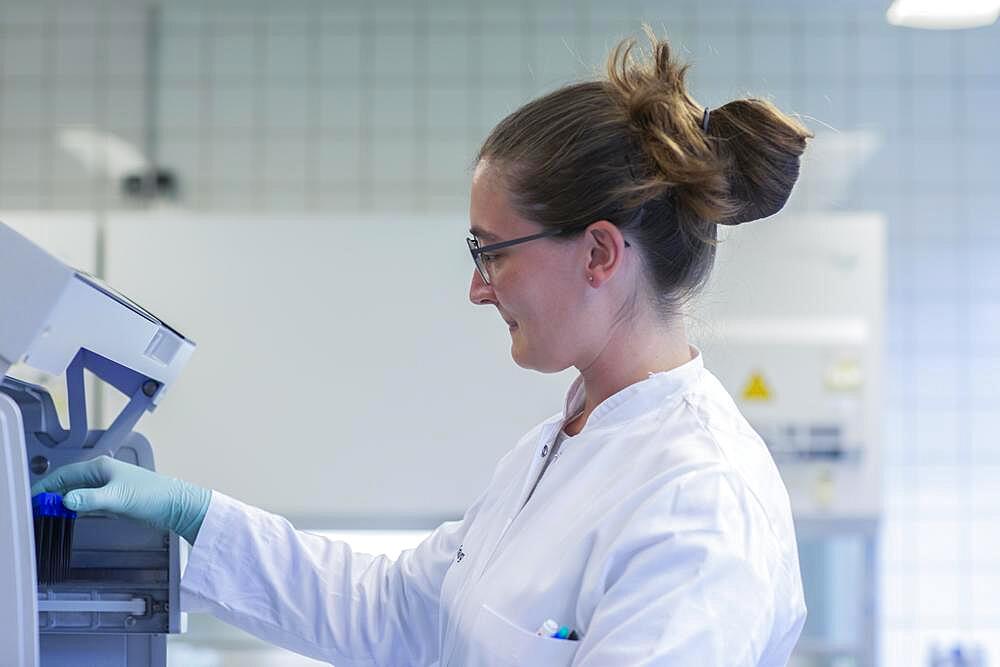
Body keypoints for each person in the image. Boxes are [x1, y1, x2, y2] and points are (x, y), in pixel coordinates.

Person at [34, 28, 812, 666]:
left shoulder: (697, 502)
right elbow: (396, 611)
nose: (478, 289)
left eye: (493, 251)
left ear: (600, 253)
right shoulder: (558, 449)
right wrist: (188, 517)